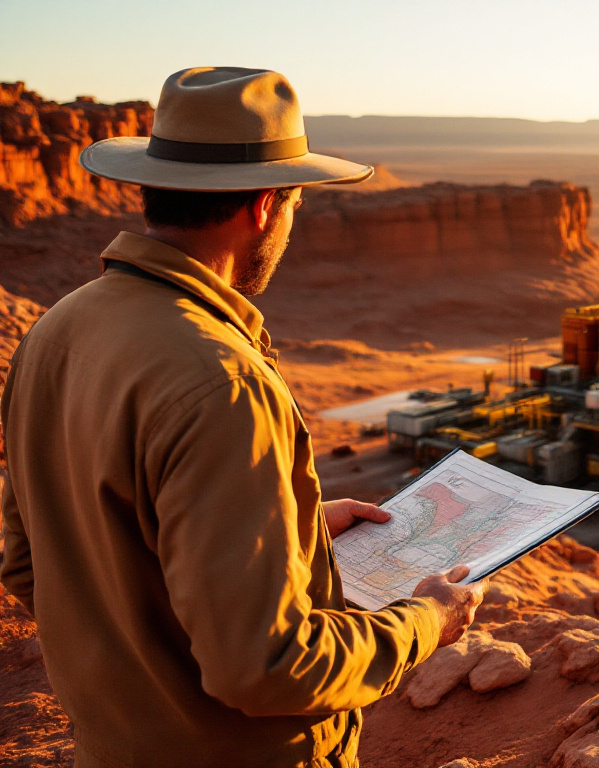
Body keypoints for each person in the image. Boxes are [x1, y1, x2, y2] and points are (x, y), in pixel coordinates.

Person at [0, 67, 482, 768]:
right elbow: (267, 667)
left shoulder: (55, 332)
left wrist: (290, 530)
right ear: (265, 207)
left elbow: (28, 562)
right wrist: (423, 622)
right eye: (294, 206)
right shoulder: (222, 382)